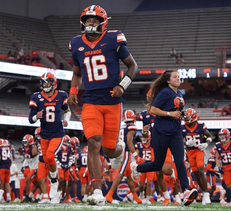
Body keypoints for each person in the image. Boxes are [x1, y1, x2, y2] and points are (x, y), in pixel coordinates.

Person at [68, 5, 138, 205]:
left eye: (95, 20)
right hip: (90, 100)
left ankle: (119, 149)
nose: (91, 23)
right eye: (88, 20)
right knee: (92, 142)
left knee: (109, 150)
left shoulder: (113, 39)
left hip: (113, 101)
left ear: (103, 23)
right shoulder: (76, 44)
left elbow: (133, 66)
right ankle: (97, 192)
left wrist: (122, 86)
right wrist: (73, 91)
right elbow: (77, 73)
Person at [130, 70, 198, 206]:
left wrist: (184, 115)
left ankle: (185, 191)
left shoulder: (178, 93)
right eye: (175, 77)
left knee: (180, 161)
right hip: (161, 132)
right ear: (168, 80)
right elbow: (154, 109)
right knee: (158, 165)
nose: (178, 79)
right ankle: (137, 168)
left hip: (176, 132)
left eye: (179, 76)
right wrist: (170, 114)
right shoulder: (165, 92)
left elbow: (176, 110)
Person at [28, 71, 71, 203]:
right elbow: (31, 119)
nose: (46, 84)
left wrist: (66, 119)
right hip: (44, 134)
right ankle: (51, 190)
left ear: (54, 83)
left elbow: (67, 110)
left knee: (50, 156)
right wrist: (37, 116)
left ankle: (53, 181)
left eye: (48, 82)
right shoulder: (36, 97)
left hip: (57, 133)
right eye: (44, 82)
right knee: (47, 159)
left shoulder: (62, 95)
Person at [182, 108, 212, 205]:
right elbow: (178, 140)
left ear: (193, 116)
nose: (186, 116)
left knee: (200, 170)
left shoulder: (200, 126)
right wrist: (186, 143)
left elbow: (209, 136)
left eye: (188, 115)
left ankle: (206, 194)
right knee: (196, 174)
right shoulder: (183, 127)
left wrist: (206, 144)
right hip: (190, 152)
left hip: (199, 150)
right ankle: (203, 193)